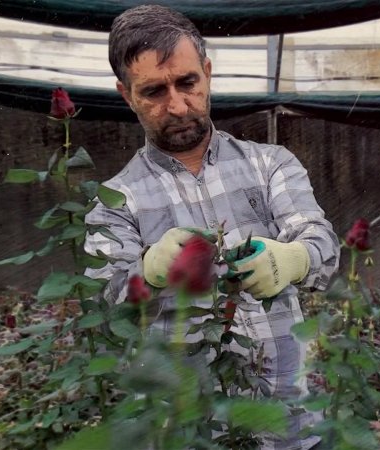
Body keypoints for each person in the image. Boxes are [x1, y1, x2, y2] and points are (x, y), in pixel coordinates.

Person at [83, 4, 339, 449]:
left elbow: (322, 244)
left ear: (207, 72)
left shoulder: (269, 164)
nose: (177, 105)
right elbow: (106, 306)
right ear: (126, 95)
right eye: (153, 91)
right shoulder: (116, 200)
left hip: (291, 422)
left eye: (187, 82)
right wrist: (147, 270)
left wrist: (294, 258)